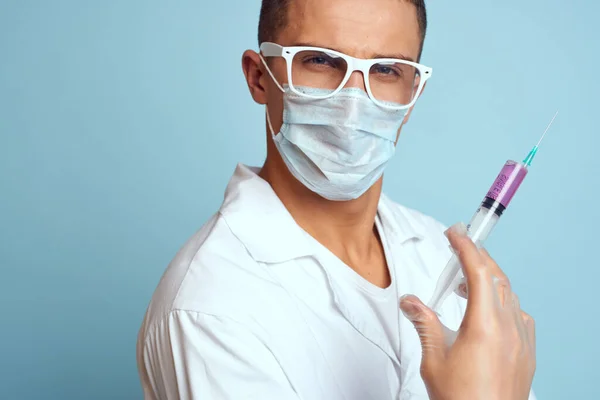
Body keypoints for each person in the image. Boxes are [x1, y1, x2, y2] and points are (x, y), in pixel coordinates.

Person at [136, 0, 537, 398]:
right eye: (321, 61)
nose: (352, 104)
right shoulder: (211, 309)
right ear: (259, 77)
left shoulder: (439, 253)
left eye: (385, 70)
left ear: (412, 93)